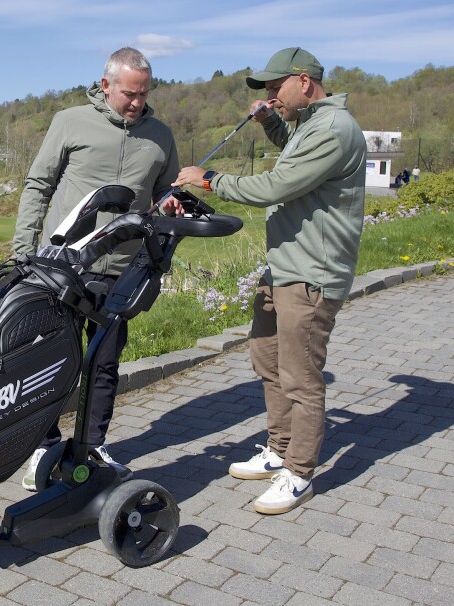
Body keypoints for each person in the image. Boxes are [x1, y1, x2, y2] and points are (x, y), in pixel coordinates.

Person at [169, 47, 366, 515]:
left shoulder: (334, 129)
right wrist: (272, 123)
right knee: (268, 360)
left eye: (277, 87)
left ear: (304, 81)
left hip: (312, 274)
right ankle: (278, 448)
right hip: (283, 267)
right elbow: (295, 151)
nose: (272, 95)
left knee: (301, 377)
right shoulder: (308, 125)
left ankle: (299, 473)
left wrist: (210, 179)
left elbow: (277, 186)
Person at [14, 47, 180, 490]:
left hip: (123, 271)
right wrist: (22, 250)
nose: (137, 103)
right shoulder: (70, 122)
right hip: (63, 265)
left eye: (144, 94)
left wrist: (169, 204)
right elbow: (38, 185)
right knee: (49, 361)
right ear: (106, 85)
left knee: (104, 364)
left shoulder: (161, 136)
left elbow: (165, 195)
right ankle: (43, 446)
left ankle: (91, 446)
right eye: (129, 94)